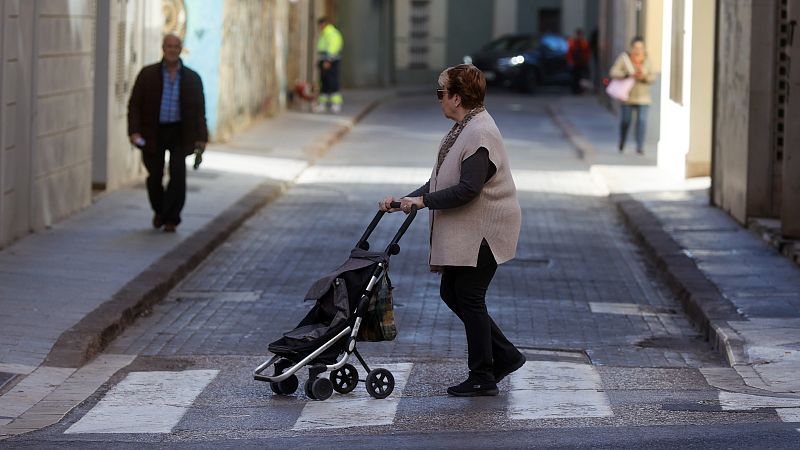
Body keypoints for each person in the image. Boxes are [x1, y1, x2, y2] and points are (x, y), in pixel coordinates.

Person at [379, 64, 525, 397]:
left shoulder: (479, 133)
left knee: (469, 297)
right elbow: (442, 180)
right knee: (453, 293)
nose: (439, 99)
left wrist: (423, 202)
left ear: (457, 98)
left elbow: (467, 189)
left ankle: (483, 374)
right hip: (473, 230)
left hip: (486, 231)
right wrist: (407, 200)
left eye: (441, 92)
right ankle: (504, 355)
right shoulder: (464, 127)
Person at [128, 34, 208, 232]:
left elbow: (199, 111)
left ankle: (172, 217)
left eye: (176, 46)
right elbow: (135, 105)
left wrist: (201, 137)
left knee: (178, 176)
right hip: (153, 131)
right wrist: (134, 132)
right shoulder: (148, 75)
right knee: (154, 176)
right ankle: (159, 211)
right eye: (169, 46)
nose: (172, 50)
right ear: (163, 48)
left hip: (180, 131)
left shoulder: (192, 78)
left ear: (181, 49)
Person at [610, 36, 655, 154]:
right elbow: (613, 72)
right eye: (636, 47)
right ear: (631, 48)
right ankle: (622, 140)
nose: (638, 50)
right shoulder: (625, 58)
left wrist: (643, 77)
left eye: (641, 48)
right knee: (626, 121)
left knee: (641, 121)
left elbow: (652, 77)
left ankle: (640, 146)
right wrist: (626, 74)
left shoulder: (647, 60)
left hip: (643, 96)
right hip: (627, 96)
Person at [315, 17, 344, 113]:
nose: (319, 27)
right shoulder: (325, 34)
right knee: (324, 83)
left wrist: (328, 61)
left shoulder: (332, 34)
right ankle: (322, 104)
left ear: (324, 24)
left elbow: (333, 48)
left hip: (330, 62)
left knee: (332, 82)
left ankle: (336, 104)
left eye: (320, 25)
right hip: (324, 61)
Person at [566, 28, 591, 95]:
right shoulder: (572, 42)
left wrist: (585, 60)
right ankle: (575, 90)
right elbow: (569, 53)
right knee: (575, 77)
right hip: (575, 63)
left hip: (581, 63)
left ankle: (579, 90)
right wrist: (570, 61)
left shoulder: (583, 43)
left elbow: (587, 52)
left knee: (581, 77)